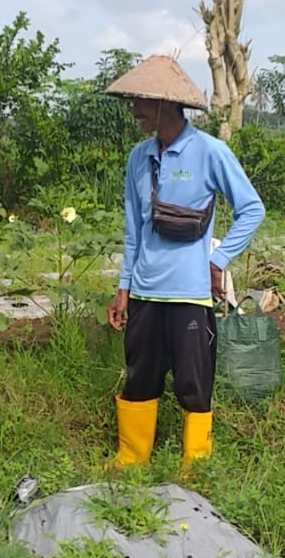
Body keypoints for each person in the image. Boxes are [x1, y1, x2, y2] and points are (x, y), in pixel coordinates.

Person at [104, 55, 265, 468]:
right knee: (140, 377)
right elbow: (134, 230)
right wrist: (123, 288)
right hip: (144, 292)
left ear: (166, 104)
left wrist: (220, 259)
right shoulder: (138, 158)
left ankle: (196, 463)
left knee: (194, 384)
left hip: (190, 295)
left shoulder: (210, 151)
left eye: (141, 101)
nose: (135, 110)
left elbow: (252, 208)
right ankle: (131, 457)